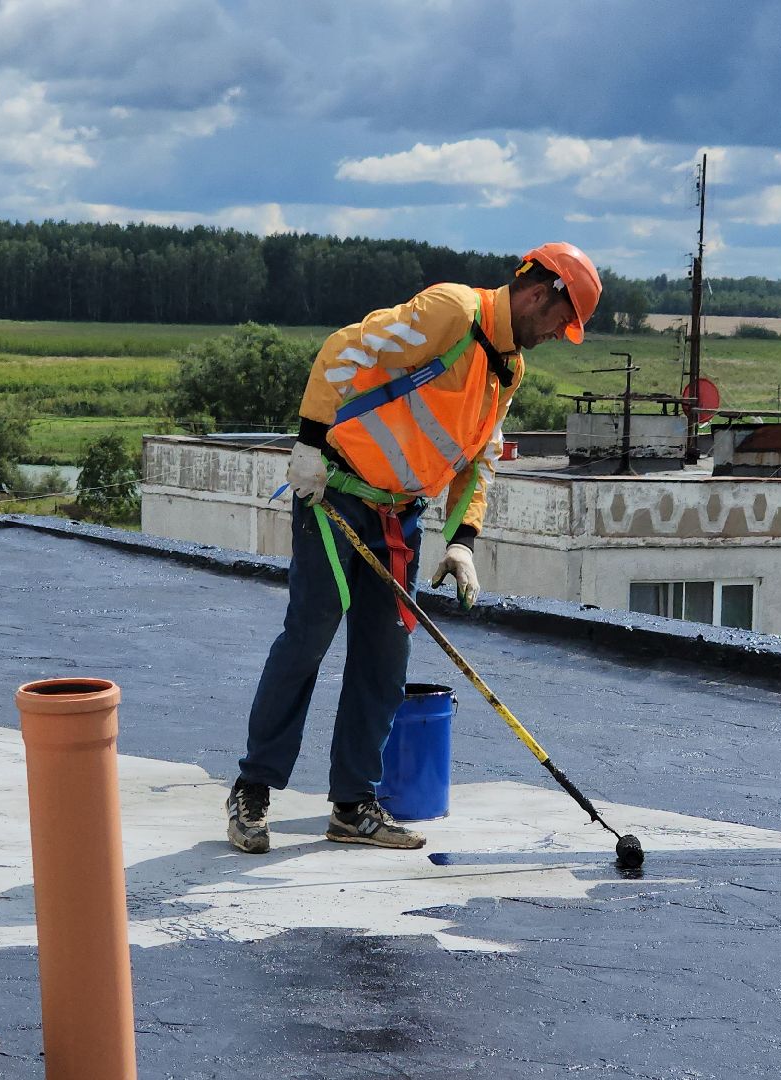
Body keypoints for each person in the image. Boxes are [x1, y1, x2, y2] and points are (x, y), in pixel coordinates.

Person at [227, 243, 601, 853]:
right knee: (310, 634)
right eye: (563, 321)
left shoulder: (508, 370)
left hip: (399, 515)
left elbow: (480, 458)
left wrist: (463, 541)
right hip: (336, 490)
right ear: (539, 295)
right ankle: (252, 791)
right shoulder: (451, 311)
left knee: (384, 656)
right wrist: (309, 445)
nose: (560, 335)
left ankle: (353, 806)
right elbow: (342, 351)